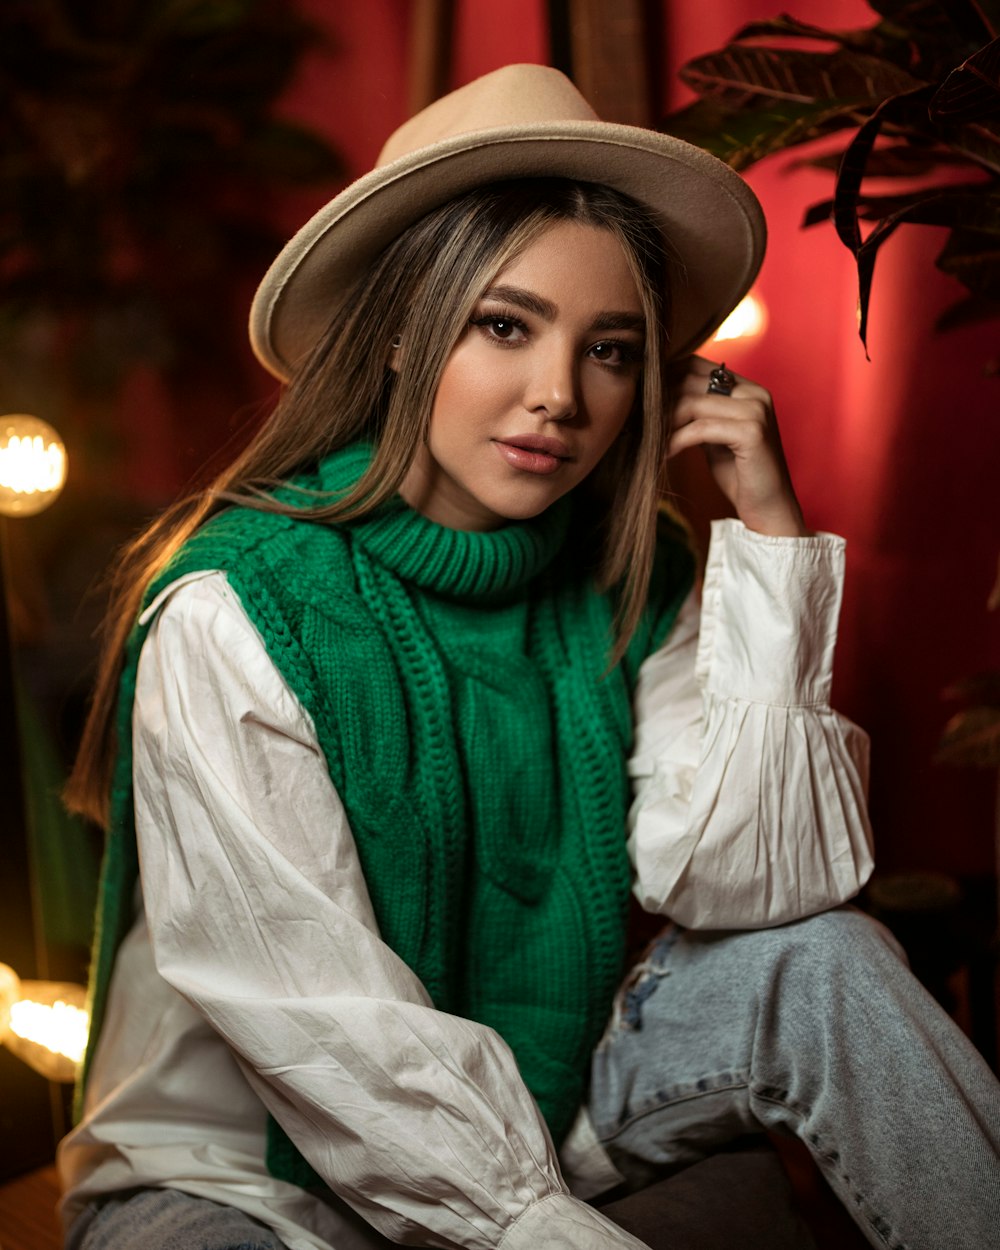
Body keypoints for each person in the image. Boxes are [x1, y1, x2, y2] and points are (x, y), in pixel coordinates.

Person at [58, 65, 999, 1250]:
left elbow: (753, 889)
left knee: (826, 955)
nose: (559, 395)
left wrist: (768, 542)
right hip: (243, 1165)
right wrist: (537, 1226)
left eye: (609, 349)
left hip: (545, 1104)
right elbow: (318, 1019)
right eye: (505, 326)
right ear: (401, 332)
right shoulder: (235, 605)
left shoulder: (635, 571)